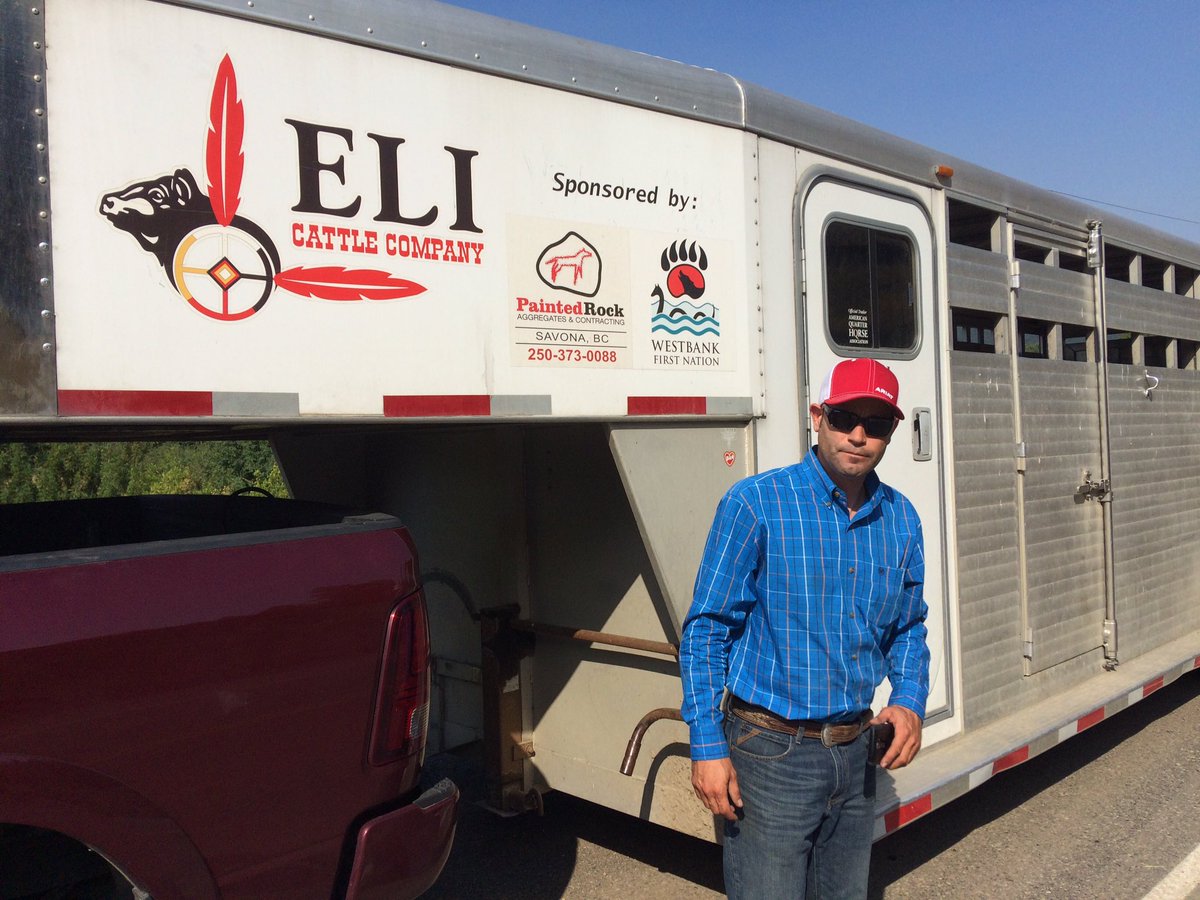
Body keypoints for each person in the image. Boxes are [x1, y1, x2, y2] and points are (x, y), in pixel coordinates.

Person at [680, 356, 930, 900]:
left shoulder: (902, 519)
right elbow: (706, 631)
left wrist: (909, 697)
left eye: (878, 424)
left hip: (856, 749)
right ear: (817, 415)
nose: (859, 436)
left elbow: (910, 627)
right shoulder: (755, 504)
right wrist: (705, 743)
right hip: (770, 752)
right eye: (844, 417)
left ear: (892, 430)